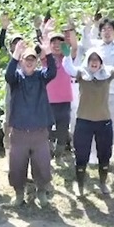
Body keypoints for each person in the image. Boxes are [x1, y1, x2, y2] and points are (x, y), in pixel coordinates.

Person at [63, 46, 114, 196]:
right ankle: (80, 185)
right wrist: (67, 55)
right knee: (81, 155)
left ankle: (102, 183)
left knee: (105, 154)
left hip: (104, 122)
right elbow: (68, 67)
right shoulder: (81, 74)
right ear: (87, 61)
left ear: (101, 62)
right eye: (91, 59)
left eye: (97, 59)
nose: (94, 62)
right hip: (83, 122)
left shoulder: (108, 74)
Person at [79, 15, 114, 165]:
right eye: (103, 29)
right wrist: (87, 26)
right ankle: (93, 154)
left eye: (110, 29)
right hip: (96, 93)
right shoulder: (96, 46)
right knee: (94, 123)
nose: (106, 32)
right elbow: (85, 43)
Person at [5, 38, 57, 206]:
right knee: (17, 166)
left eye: (32, 59)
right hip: (19, 133)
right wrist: (15, 55)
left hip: (39, 133)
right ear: (21, 62)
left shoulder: (41, 77)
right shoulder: (16, 79)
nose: (29, 62)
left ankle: (41, 193)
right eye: (26, 59)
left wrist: (47, 51)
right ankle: (19, 195)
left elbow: (53, 72)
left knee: (42, 165)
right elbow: (8, 75)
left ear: (36, 63)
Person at [43, 27, 76, 158]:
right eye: (54, 43)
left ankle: (59, 155)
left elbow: (74, 47)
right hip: (49, 101)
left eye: (59, 43)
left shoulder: (67, 58)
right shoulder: (46, 59)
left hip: (65, 101)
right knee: (47, 129)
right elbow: (42, 47)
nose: (57, 46)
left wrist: (70, 31)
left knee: (63, 130)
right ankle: (47, 152)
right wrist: (45, 31)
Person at [0, 13, 25, 153]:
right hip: (11, 98)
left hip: (26, 100)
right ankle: (8, 151)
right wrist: (4, 28)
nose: (18, 45)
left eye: (20, 42)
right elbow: (1, 45)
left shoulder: (29, 60)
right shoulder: (10, 59)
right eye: (15, 42)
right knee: (8, 124)